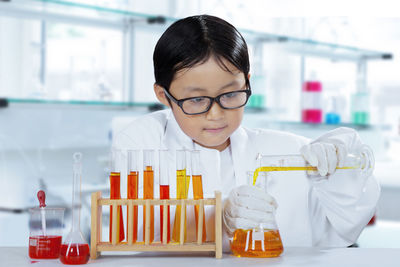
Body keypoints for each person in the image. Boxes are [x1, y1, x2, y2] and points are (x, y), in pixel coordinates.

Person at [112, 14, 380, 250]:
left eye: (229, 94)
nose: (215, 114)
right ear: (164, 95)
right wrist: (219, 219)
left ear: (247, 82)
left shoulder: (284, 151)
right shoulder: (143, 143)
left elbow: (344, 229)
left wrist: (340, 172)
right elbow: (136, 236)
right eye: (196, 100)